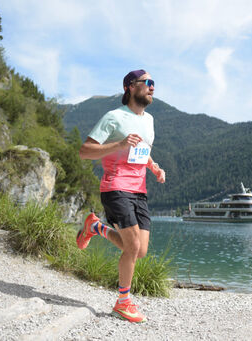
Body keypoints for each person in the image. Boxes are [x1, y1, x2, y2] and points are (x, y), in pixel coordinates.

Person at [77, 69, 165, 323]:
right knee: (132, 246)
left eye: (153, 84)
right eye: (147, 83)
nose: (152, 87)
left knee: (139, 250)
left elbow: (142, 150)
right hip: (115, 187)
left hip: (139, 191)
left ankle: (94, 227)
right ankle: (123, 302)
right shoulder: (113, 117)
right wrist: (119, 144)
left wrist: (155, 168)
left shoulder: (149, 120)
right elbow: (85, 151)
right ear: (130, 87)